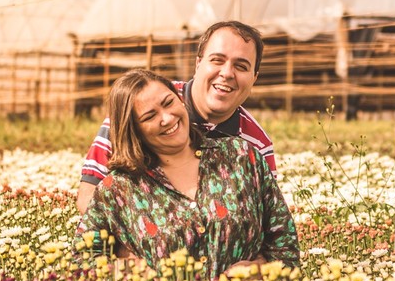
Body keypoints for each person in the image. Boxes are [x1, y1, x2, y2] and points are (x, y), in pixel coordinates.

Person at [75, 68, 300, 281]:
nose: (167, 118)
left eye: (168, 102)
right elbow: (81, 261)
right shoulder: (118, 188)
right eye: (150, 116)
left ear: (180, 99)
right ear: (133, 129)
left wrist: (264, 270)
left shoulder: (242, 157)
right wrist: (120, 271)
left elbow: (285, 244)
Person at [77, 20, 275, 215]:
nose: (227, 73)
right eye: (217, 60)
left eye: (241, 66)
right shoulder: (139, 107)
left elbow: (266, 221)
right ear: (198, 63)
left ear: (254, 77)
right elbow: (88, 196)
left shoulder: (257, 145)